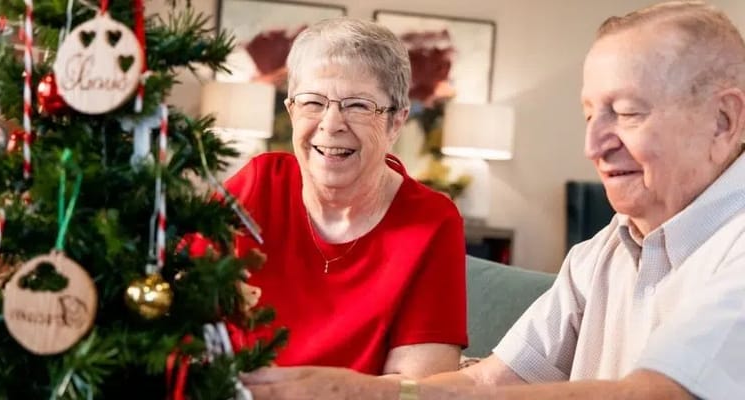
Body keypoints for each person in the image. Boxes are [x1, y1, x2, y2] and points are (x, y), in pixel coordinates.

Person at [242, 1, 745, 399]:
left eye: (628, 113)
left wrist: (357, 394)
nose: (593, 145)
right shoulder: (602, 253)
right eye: (591, 115)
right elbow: (488, 381)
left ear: (723, 121)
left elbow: (659, 394)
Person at [224, 17, 467, 378]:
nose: (331, 123)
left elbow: (417, 388)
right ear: (292, 111)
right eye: (313, 103)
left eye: (357, 105)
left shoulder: (431, 222)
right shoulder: (258, 186)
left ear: (396, 123)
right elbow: (171, 307)